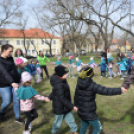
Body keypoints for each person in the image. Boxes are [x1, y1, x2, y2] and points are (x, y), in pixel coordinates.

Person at [74, 66, 127, 134]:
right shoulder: (92, 85)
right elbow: (106, 91)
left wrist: (75, 105)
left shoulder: (78, 83)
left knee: (84, 125)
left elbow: (76, 96)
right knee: (98, 127)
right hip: (89, 113)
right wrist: (120, 90)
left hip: (81, 111)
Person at [48, 65, 78, 134]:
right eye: (65, 73)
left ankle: (75, 131)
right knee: (58, 123)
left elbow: (54, 91)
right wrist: (72, 106)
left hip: (66, 106)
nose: (67, 74)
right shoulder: (59, 85)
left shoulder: (62, 80)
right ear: (60, 75)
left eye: (67, 73)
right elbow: (62, 98)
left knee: (71, 120)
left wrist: (49, 97)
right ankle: (54, 132)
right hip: (60, 107)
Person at [0, 44, 24, 124]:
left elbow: (14, 69)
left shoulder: (10, 58)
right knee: (7, 101)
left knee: (17, 100)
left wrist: (19, 78)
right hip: (4, 84)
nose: (11, 53)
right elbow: (4, 72)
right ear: (4, 50)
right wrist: (12, 82)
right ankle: (2, 111)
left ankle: (17, 117)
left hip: (15, 82)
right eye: (10, 51)